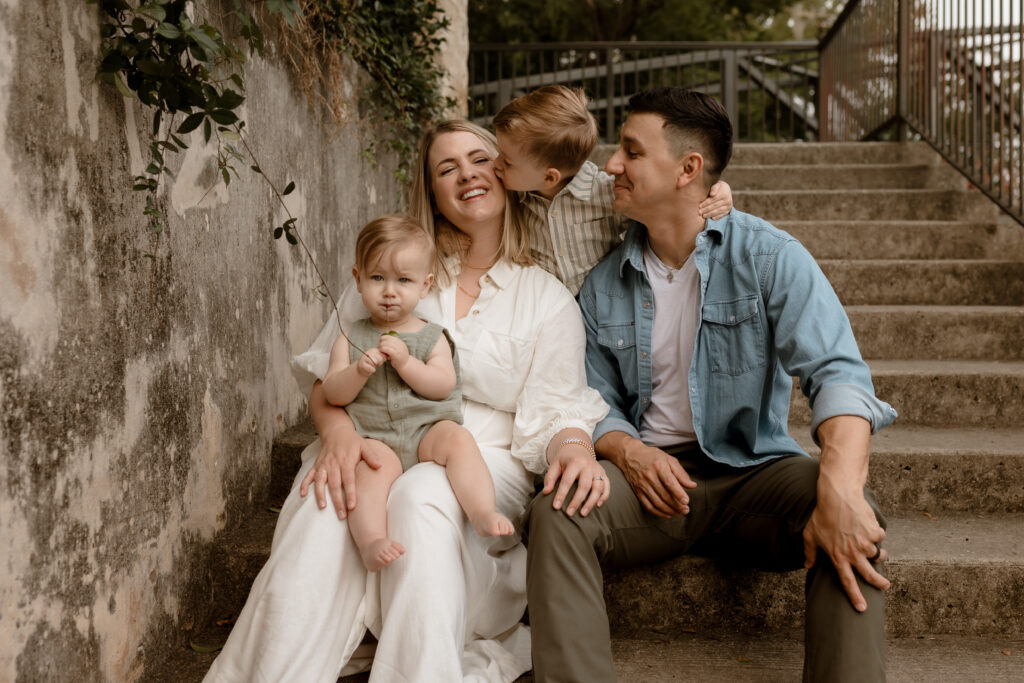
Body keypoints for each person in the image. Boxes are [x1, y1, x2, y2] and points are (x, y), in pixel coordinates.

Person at [202, 120, 609, 683]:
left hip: (480, 451)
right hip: (370, 431)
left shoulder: (545, 296)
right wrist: (339, 435)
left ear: (506, 171)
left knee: (423, 494)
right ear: (434, 191)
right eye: (447, 168)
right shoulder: (391, 272)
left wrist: (575, 447)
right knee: (328, 502)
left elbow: (559, 408)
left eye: (478, 159)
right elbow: (327, 384)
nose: (466, 174)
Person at [523, 87, 898, 682]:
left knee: (853, 512)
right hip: (651, 486)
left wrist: (842, 490)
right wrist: (631, 451)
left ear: (688, 169)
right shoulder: (601, 284)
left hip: (754, 473)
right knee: (559, 509)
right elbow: (592, 398)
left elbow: (838, 375)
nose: (611, 165)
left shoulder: (770, 257)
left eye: (630, 151)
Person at [322, 215, 515, 572]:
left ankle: (482, 511)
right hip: (375, 436)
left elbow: (442, 385)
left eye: (403, 280)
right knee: (368, 474)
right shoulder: (349, 338)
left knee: (459, 442)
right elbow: (333, 392)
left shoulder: (432, 336)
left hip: (427, 430)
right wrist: (357, 371)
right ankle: (371, 541)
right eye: (377, 278)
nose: (390, 291)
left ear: (425, 286)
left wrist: (407, 363)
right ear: (358, 279)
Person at [491, 84, 733, 295]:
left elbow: (666, 205)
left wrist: (716, 190)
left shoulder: (608, 193)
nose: (496, 163)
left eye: (507, 160)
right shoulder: (514, 197)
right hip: (544, 311)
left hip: (603, 310)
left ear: (550, 177)